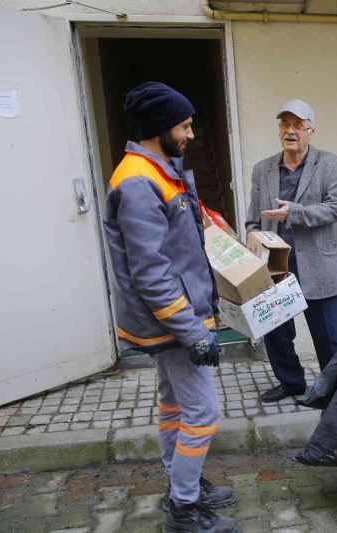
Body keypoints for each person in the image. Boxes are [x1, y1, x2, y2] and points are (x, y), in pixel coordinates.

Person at [104, 81, 238, 533]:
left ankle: (186, 484)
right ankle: (183, 509)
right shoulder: (139, 181)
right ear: (160, 128)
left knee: (174, 404)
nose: (191, 134)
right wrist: (194, 332)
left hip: (170, 320)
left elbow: (174, 246)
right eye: (184, 126)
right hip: (173, 323)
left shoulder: (156, 171)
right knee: (203, 414)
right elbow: (151, 273)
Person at [246, 99, 337, 403]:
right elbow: (254, 219)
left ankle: (336, 392)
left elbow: (335, 209)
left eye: (297, 125)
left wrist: (294, 212)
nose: (289, 131)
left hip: (320, 264)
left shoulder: (330, 165)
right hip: (275, 266)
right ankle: (291, 383)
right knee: (276, 332)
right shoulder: (263, 169)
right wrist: (253, 250)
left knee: (332, 337)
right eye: (285, 124)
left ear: (310, 131)